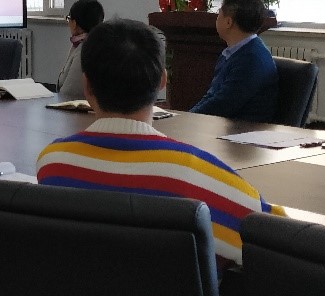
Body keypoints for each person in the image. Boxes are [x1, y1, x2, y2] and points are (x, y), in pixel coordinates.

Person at [37, 18, 286, 269]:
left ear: (87, 86)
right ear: (162, 82)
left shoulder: (52, 164)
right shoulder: (195, 177)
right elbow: (281, 241)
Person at [189, 0, 278, 122]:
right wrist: (186, 116)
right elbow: (212, 96)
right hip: (224, 125)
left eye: (219, 13)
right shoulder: (232, 53)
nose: (217, 17)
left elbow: (222, 104)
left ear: (228, 22)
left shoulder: (252, 59)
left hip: (243, 130)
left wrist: (187, 119)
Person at [57, 0, 105, 100]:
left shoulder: (84, 50)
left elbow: (69, 92)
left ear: (74, 23)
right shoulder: (97, 43)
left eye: (69, 19)